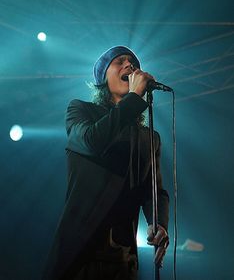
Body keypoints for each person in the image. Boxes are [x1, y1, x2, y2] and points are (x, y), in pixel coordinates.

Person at [42, 46, 169, 280]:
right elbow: (93, 142)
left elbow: (154, 190)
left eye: (133, 63)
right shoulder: (81, 111)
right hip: (81, 254)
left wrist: (158, 223)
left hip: (123, 258)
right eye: (120, 61)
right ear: (102, 78)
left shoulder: (149, 137)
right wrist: (132, 99)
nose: (129, 66)